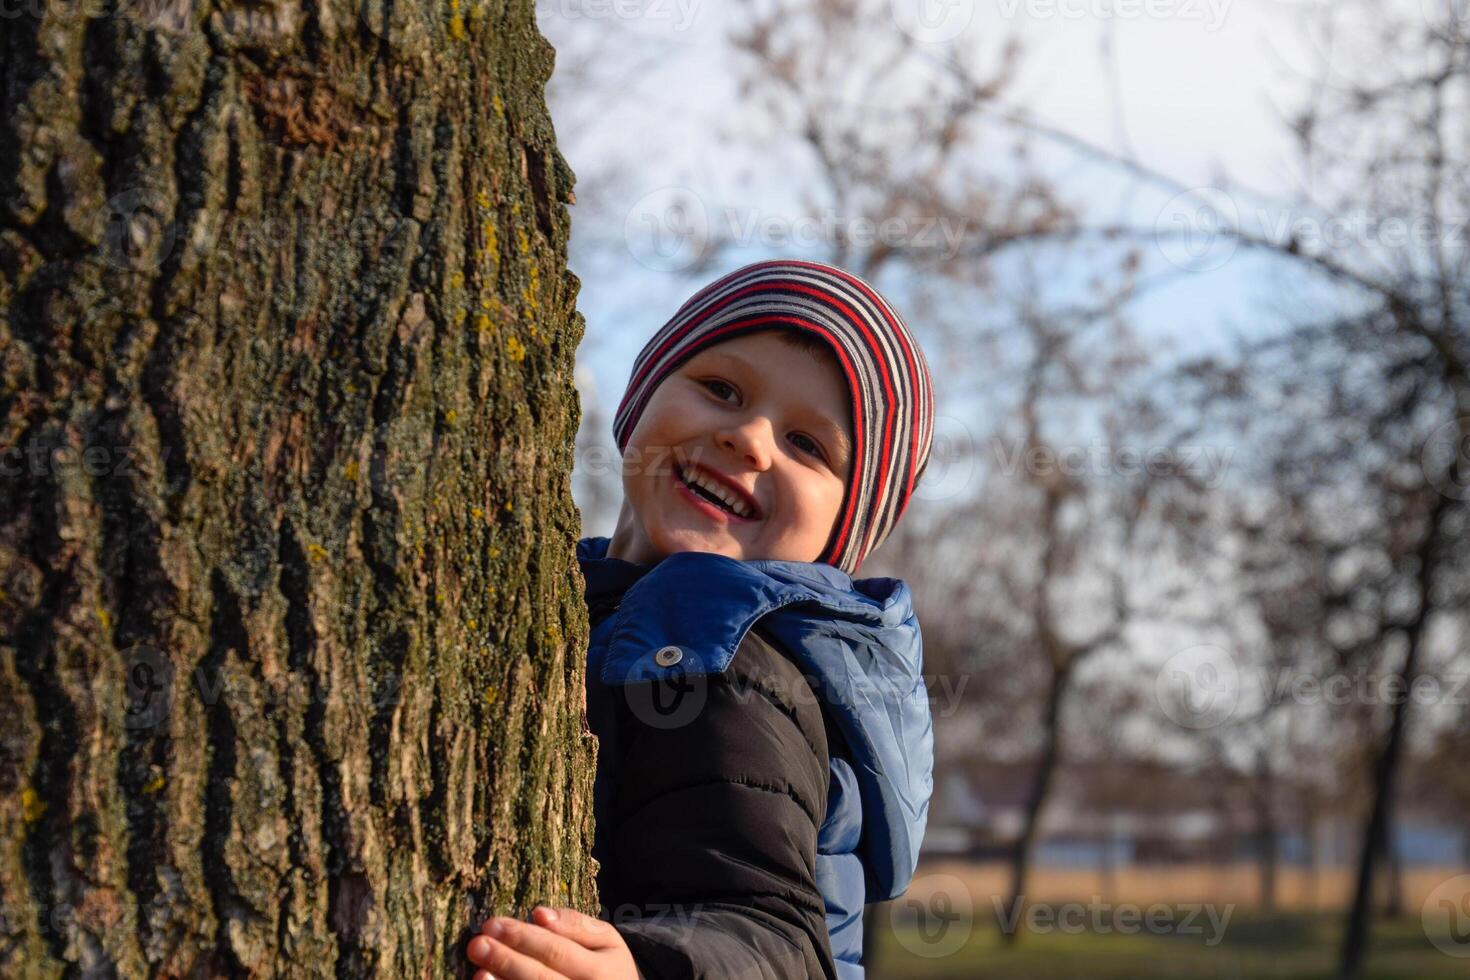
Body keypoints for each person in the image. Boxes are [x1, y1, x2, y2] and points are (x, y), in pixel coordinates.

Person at [467, 259, 936, 979]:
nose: (749, 437)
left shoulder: (731, 661)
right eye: (721, 389)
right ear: (642, 399)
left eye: (807, 444)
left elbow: (774, 933)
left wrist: (644, 969)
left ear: (840, 536)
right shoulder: (574, 594)